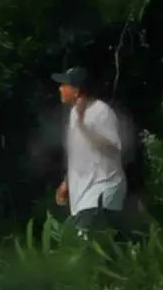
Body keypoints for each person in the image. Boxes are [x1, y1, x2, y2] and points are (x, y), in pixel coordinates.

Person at [52, 66, 128, 233]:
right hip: (84, 195)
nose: (60, 88)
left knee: (88, 248)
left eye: (64, 84)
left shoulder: (101, 112)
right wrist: (67, 183)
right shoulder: (74, 114)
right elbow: (81, 154)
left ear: (77, 90)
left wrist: (83, 125)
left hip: (102, 191)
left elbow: (113, 147)